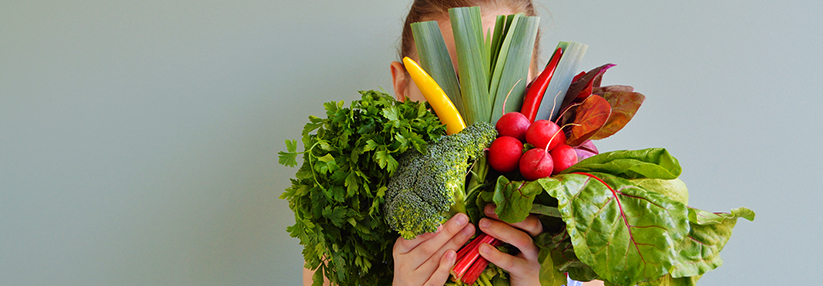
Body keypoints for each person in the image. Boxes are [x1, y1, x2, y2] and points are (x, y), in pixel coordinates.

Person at [305, 0, 605, 285]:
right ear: (402, 85)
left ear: (536, 85)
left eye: (504, 83)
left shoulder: (578, 210)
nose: (477, 116)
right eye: (452, 81)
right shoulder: (345, 212)